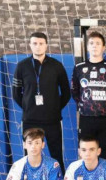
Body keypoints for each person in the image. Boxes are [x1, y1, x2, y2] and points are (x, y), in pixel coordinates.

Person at [13, 32, 71, 172]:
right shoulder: (22, 66)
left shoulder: (57, 66)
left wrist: (54, 108)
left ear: (46, 45)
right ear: (30, 45)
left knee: (57, 155)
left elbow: (66, 93)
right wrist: (29, 107)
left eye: (41, 43)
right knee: (30, 155)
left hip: (52, 120)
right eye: (35, 43)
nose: (38, 46)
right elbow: (16, 94)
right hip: (30, 120)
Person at [71, 31, 106, 162]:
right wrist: (84, 105)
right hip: (86, 118)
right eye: (91, 43)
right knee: (86, 152)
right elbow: (74, 91)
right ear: (87, 47)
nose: (94, 46)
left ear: (103, 47)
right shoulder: (79, 68)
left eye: (98, 43)